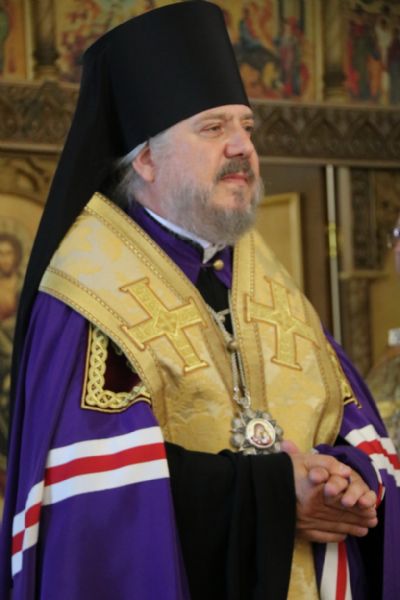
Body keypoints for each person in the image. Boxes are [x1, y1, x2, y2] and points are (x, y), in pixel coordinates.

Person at [0, 3, 399, 599]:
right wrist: (274, 493)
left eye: (247, 127)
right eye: (213, 128)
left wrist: (345, 481)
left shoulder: (263, 279)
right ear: (146, 158)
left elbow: (357, 425)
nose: (242, 146)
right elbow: (98, 490)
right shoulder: (88, 288)